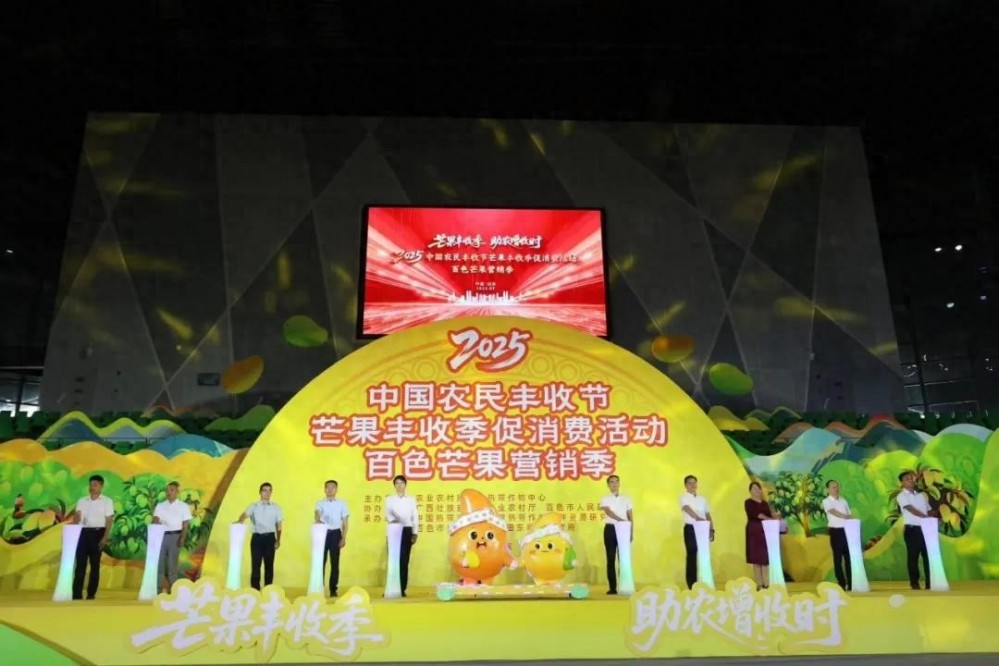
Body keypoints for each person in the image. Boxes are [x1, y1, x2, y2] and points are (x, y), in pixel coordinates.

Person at [72, 474, 114, 600]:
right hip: (83, 534)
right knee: (80, 565)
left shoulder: (107, 501)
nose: (92, 487)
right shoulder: (82, 501)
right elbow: (77, 517)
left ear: (101, 486)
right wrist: (76, 518)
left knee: (95, 565)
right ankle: (77, 594)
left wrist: (105, 537)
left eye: (95, 485)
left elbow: (109, 520)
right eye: (90, 485)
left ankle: (91, 594)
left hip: (98, 533)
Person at [235, 482, 284, 590]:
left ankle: (268, 590)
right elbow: (244, 515)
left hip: (270, 539)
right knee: (256, 565)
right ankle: (255, 591)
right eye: (264, 490)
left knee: (269, 566)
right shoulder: (253, 506)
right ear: (260, 492)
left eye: (269, 490)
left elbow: (279, 525)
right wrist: (239, 521)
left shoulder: (276, 507)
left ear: (271, 492)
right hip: (257, 539)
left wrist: (278, 540)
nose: (267, 493)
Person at [152, 481, 192, 594]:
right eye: (167, 490)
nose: (169, 492)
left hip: (175, 536)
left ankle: (173, 591)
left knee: (172, 565)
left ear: (177, 492)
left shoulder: (183, 506)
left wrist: (182, 538)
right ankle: (158, 590)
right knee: (160, 564)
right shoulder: (160, 505)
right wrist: (155, 524)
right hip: (161, 536)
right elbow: (155, 519)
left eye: (172, 490)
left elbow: (185, 524)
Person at [896, 471, 933, 590]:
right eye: (907, 479)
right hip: (912, 530)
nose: (911, 480)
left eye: (911, 478)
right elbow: (910, 509)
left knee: (928, 557)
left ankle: (930, 583)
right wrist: (925, 517)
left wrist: (933, 519)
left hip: (926, 529)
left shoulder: (921, 496)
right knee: (913, 557)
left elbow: (929, 510)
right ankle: (914, 583)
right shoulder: (902, 496)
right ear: (902, 482)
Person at [384, 474, 419, 597]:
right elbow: (387, 514)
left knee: (404, 560)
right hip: (394, 530)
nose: (399, 485)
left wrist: (415, 532)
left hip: (407, 530)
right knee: (393, 560)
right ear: (394, 485)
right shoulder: (389, 499)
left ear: (405, 485)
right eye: (397, 483)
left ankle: (402, 588)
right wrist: (395, 521)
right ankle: (391, 588)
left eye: (401, 483)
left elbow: (415, 517)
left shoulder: (411, 499)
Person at [314, 479, 349, 597]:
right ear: (324, 489)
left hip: (336, 534)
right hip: (323, 533)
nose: (330, 490)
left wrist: (343, 537)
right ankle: (319, 588)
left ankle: (333, 589)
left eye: (332, 487)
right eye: (327, 487)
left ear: (336, 489)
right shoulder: (320, 503)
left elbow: (345, 522)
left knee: (335, 563)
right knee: (321, 562)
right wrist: (318, 519)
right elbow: (317, 513)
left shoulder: (342, 503)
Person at [599, 474, 634, 595]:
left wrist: (631, 531)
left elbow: (630, 516)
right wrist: (621, 520)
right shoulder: (605, 498)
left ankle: (624, 586)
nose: (614, 484)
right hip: (611, 529)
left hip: (624, 529)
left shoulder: (626, 499)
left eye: (616, 481)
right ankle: (612, 587)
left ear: (619, 483)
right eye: (611, 482)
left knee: (623, 559)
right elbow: (608, 511)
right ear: (608, 485)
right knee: (611, 558)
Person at [744, 481, 780, 590]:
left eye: (758, 488)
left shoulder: (765, 503)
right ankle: (759, 584)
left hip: (765, 532)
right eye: (753, 489)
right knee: (756, 559)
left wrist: (777, 516)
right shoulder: (748, 502)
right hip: (754, 532)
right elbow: (756, 514)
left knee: (764, 559)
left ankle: (766, 583)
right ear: (750, 491)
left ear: (760, 490)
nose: (756, 490)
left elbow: (771, 515)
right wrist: (769, 519)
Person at [679, 474, 713, 589]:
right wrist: (698, 518)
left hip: (703, 528)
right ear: (685, 485)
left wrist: (711, 529)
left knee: (704, 554)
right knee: (692, 554)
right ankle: (692, 584)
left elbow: (708, 514)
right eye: (690, 483)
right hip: (691, 528)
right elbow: (687, 509)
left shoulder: (702, 499)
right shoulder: (683, 497)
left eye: (694, 482)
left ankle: (706, 581)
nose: (692, 485)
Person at [822, 479, 852, 590]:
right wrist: (844, 516)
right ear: (828, 489)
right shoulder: (826, 501)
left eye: (837, 486)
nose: (836, 489)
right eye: (833, 487)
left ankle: (851, 583)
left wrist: (849, 519)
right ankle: (842, 583)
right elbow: (832, 511)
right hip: (836, 532)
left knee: (849, 558)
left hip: (847, 531)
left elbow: (849, 514)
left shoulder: (843, 500)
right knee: (838, 558)